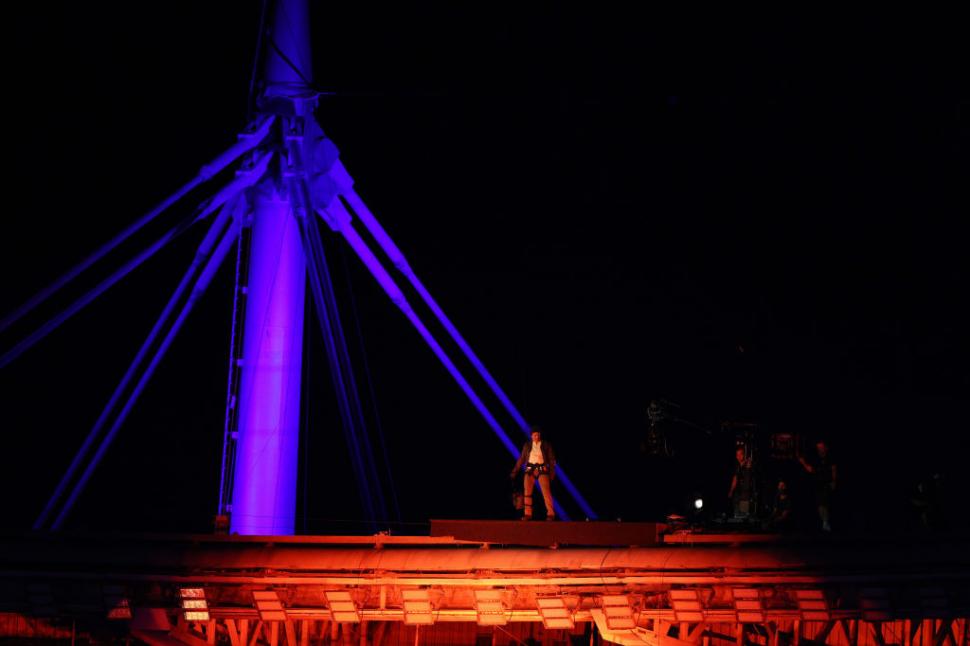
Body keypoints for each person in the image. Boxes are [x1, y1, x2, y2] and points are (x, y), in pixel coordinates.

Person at [510, 426, 557, 520]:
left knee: (546, 492)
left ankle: (551, 514)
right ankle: (528, 514)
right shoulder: (527, 445)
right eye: (535, 435)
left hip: (542, 469)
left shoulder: (545, 444)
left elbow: (552, 459)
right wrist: (514, 471)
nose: (537, 436)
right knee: (527, 492)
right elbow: (522, 458)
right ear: (531, 436)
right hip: (530, 469)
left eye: (538, 435)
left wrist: (552, 472)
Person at [798, 440, 836, 532]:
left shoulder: (830, 457)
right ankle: (825, 522)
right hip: (818, 484)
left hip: (826, 483)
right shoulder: (816, 458)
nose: (820, 449)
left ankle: (826, 522)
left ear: (825, 448)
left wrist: (834, 481)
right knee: (820, 505)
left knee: (824, 504)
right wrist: (803, 463)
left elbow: (834, 469)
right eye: (818, 448)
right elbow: (810, 469)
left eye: (821, 447)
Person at [727, 445, 757, 519]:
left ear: (744, 455)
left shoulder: (748, 464)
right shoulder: (737, 466)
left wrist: (749, 463)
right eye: (737, 455)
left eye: (741, 454)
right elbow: (735, 479)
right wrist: (731, 490)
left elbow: (751, 470)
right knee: (737, 514)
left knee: (744, 514)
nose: (738, 456)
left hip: (745, 493)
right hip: (737, 493)